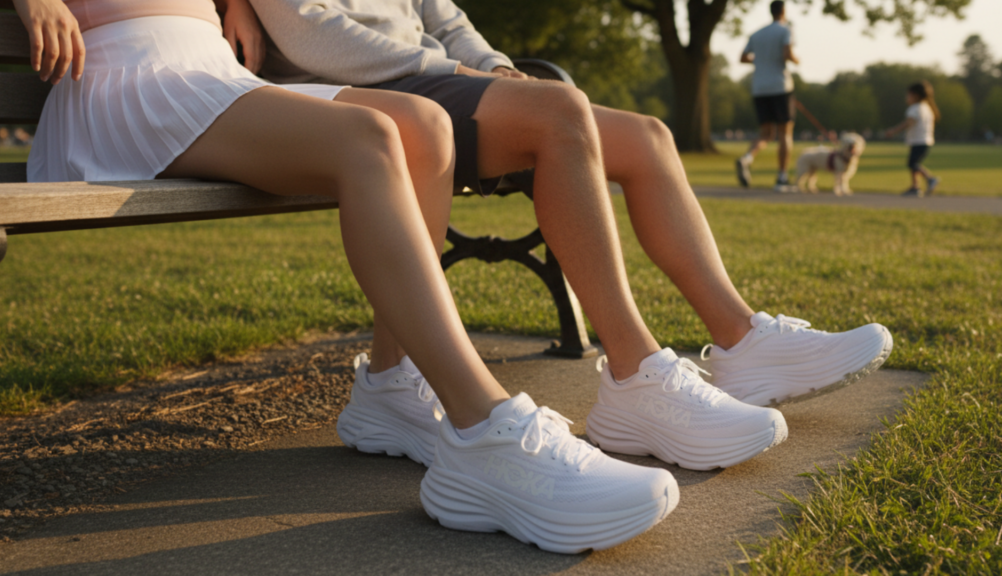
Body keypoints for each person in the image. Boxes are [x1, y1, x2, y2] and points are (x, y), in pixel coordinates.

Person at [15, 0, 796, 554]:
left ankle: (394, 388)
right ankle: (481, 429)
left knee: (416, 125)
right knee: (367, 135)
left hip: (211, 71)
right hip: (129, 77)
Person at [247, 0, 894, 461]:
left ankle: (743, 342)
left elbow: (446, 20)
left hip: (436, 83)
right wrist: (457, 74)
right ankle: (635, 375)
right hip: (354, 97)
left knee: (647, 136)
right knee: (559, 112)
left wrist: (496, 71)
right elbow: (311, 32)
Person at [736, 0, 799, 190]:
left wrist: (760, 60)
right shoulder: (785, 30)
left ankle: (747, 158)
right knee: (784, 134)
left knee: (766, 134)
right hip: (780, 86)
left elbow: (743, 57)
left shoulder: (757, 34)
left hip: (759, 88)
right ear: (783, 11)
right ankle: (781, 177)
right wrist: (796, 60)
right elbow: (788, 53)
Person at [885, 81, 941, 197]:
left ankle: (930, 179)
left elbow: (909, 123)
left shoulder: (914, 108)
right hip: (925, 140)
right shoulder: (927, 107)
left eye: (908, 95)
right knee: (913, 163)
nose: (906, 98)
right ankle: (915, 187)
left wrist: (893, 131)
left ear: (915, 95)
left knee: (912, 163)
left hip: (918, 141)